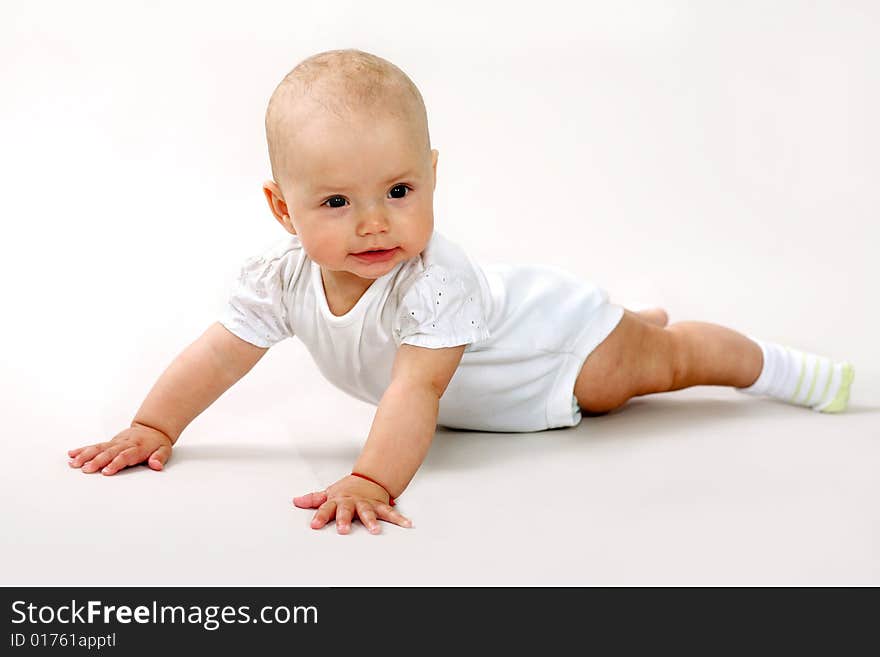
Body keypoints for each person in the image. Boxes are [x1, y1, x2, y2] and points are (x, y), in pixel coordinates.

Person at [67, 49, 855, 535]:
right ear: (283, 208)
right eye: (336, 203)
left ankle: (774, 368)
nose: (374, 223)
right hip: (499, 383)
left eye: (400, 189)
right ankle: (633, 319)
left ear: (432, 175)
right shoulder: (281, 278)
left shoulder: (433, 281)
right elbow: (218, 354)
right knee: (631, 354)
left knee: (653, 367)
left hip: (551, 346)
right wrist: (152, 423)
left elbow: (416, 388)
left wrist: (373, 479)